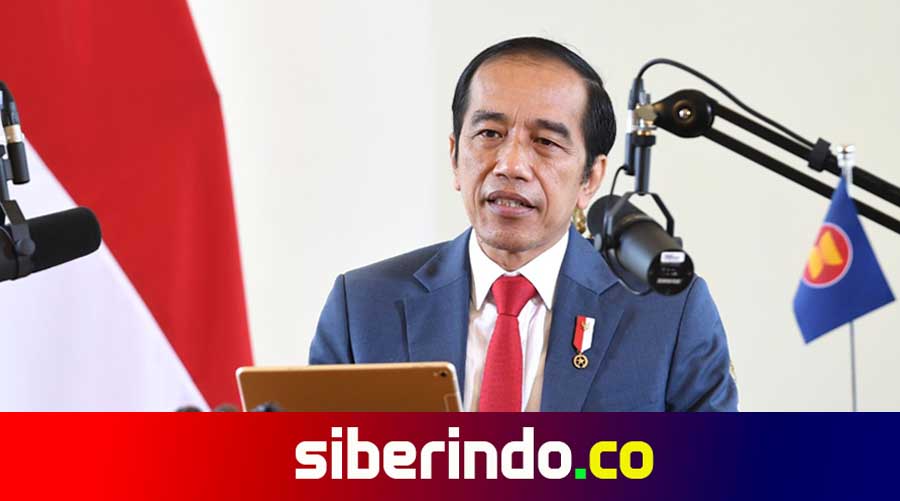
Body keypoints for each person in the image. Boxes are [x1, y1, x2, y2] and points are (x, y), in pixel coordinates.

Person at [310, 37, 737, 411]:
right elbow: (316, 459)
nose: (510, 165)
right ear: (455, 157)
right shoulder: (363, 305)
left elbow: (717, 466)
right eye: (489, 134)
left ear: (590, 178)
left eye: (545, 142)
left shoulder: (669, 313)